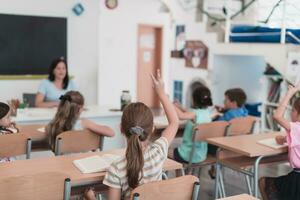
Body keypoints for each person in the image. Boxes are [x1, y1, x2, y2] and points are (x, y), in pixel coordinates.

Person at [84, 69, 179, 200]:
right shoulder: (158, 152)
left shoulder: (116, 168)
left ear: (121, 129)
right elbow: (174, 122)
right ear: (152, 129)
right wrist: (161, 93)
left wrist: (91, 198)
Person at [259, 83, 300, 200]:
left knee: (263, 182)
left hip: (297, 180)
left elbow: (277, 116)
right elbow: (288, 140)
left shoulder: (297, 128)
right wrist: (284, 139)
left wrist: (289, 93)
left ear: (297, 113)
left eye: (292, 110)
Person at [46, 91, 114, 151]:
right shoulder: (84, 123)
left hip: (62, 162)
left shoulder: (52, 125)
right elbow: (111, 133)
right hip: (82, 162)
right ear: (80, 109)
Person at [170, 86, 214, 163]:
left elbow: (181, 116)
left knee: (166, 151)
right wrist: (180, 107)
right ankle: (184, 172)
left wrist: (169, 104)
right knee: (175, 151)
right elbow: (189, 113)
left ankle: (181, 173)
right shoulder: (208, 113)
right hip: (201, 155)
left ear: (194, 100)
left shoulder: (194, 114)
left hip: (187, 155)